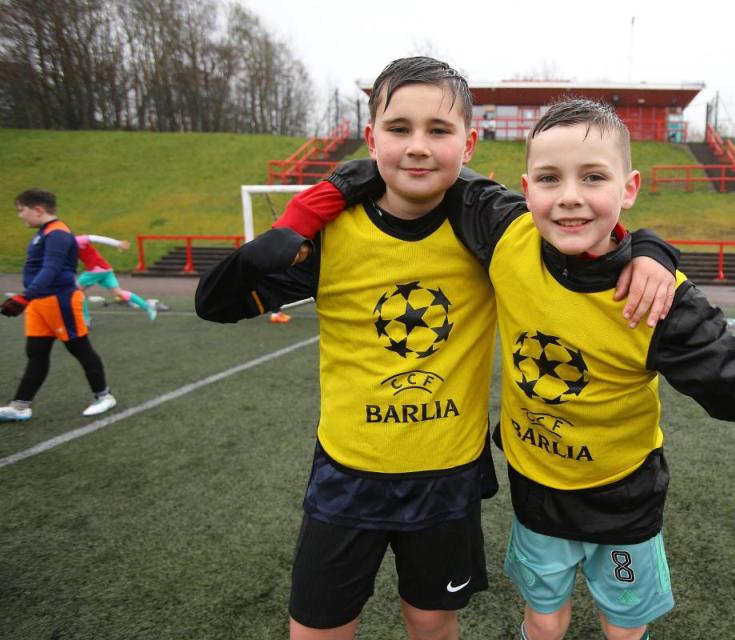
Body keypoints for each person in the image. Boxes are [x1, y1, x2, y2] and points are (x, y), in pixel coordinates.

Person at [325, 98, 735, 640]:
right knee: (545, 624)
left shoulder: (657, 301)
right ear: (526, 190)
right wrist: (316, 203)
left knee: (623, 628)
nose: (569, 196)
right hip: (537, 489)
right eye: (550, 178)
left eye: (593, 177)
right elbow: (428, 167)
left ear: (629, 190)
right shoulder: (505, 233)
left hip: (623, 497)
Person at [195, 57, 678, 640]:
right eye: (399, 129)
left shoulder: (488, 232)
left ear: (468, 143)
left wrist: (652, 247)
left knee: (431, 622)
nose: (418, 147)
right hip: (347, 475)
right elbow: (214, 303)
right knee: (317, 630)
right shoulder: (329, 235)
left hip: (446, 479)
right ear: (372, 138)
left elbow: (581, 236)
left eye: (439, 131)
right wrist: (276, 238)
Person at [1, 189, 118, 423]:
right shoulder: (44, 233)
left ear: (38, 210)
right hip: (40, 302)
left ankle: (104, 396)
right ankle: (21, 406)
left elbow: (51, 269)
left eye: (21, 210)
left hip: (59, 300)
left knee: (79, 348)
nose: (20, 216)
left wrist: (25, 296)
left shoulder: (58, 234)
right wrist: (30, 298)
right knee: (36, 352)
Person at [75, 234, 158, 322]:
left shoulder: (77, 240)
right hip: (106, 270)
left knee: (76, 291)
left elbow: (97, 238)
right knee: (118, 293)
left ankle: (85, 320)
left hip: (96, 270)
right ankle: (147, 306)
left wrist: (118, 243)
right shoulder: (66, 246)